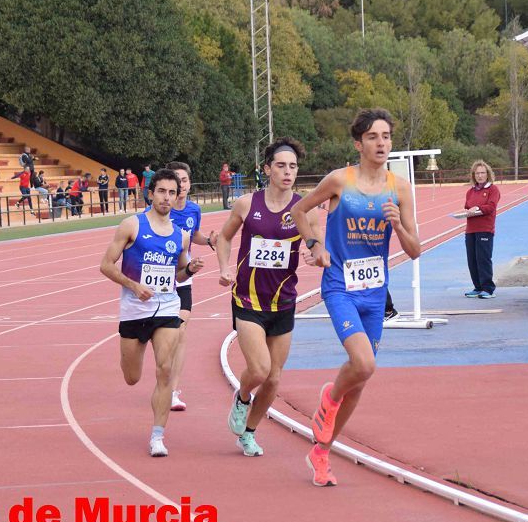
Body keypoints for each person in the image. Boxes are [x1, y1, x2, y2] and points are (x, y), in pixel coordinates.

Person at [291, 108, 422, 487]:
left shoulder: (399, 189)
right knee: (363, 364)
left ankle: (321, 452)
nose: (381, 143)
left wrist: (397, 224)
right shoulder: (339, 181)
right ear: (358, 143)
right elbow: (300, 210)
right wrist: (315, 245)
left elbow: (414, 250)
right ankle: (330, 399)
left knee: (361, 380)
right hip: (340, 287)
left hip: (375, 292)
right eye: (373, 137)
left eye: (386, 136)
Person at [217, 137, 319, 456]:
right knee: (259, 370)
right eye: (281, 166)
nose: (288, 172)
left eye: (293, 166)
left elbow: (319, 245)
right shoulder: (248, 204)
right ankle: (243, 396)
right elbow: (223, 237)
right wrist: (224, 267)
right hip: (248, 299)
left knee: (274, 380)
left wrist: (316, 254)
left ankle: (248, 433)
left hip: (283, 301)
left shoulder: (304, 208)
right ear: (268, 169)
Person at [100, 169, 205, 457]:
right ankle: (135, 354)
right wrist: (133, 285)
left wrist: (190, 269)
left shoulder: (180, 236)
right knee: (132, 377)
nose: (167, 198)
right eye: (162, 191)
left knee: (165, 369)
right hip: (135, 310)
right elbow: (106, 265)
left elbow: (179, 275)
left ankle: (157, 436)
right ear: (151, 193)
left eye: (172, 192)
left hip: (167, 306)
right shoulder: (131, 225)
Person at [161, 161, 218, 411]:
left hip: (183, 275)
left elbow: (192, 234)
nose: (181, 185)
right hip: (160, 275)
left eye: (184, 180)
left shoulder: (194, 210)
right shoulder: (161, 209)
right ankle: (162, 375)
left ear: (189, 184)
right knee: (160, 335)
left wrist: (208, 240)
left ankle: (172, 391)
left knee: (180, 332)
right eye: (176, 181)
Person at [463, 160, 501, 299]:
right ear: (474, 175)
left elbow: (491, 207)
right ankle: (478, 287)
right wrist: (468, 211)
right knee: (472, 259)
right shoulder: (470, 191)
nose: (480, 176)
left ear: (488, 174)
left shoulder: (493, 189)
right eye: (477, 173)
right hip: (470, 229)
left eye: (482, 173)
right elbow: (467, 207)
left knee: (483, 259)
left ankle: (488, 289)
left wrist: (477, 209)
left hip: (485, 229)